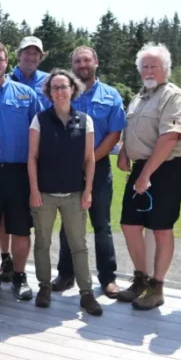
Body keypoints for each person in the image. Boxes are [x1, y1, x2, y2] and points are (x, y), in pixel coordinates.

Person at [116, 42, 181, 311]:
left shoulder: (174, 96)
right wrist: (124, 150)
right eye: (144, 66)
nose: (148, 70)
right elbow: (131, 128)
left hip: (166, 169)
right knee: (130, 224)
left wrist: (146, 174)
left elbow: (170, 137)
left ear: (166, 69)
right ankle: (140, 278)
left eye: (154, 66)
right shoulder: (140, 96)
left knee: (161, 228)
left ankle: (157, 287)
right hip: (141, 168)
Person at [0, 41, 43, 301]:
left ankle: (20, 275)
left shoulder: (26, 94)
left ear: (6, 62)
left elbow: (39, 133)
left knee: (22, 228)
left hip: (20, 172)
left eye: (0, 59)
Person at [53, 46, 125, 298]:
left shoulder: (111, 95)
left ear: (96, 62)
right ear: (71, 65)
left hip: (99, 165)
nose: (82, 65)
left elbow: (115, 133)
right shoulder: (65, 93)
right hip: (67, 169)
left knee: (101, 224)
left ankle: (107, 278)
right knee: (68, 225)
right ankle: (65, 274)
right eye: (77, 61)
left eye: (86, 60)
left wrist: (90, 159)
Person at [27, 69, 101, 315]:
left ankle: (86, 293)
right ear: (49, 92)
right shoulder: (40, 119)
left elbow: (90, 160)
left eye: (64, 86)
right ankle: (44, 287)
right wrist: (34, 190)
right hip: (44, 194)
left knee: (79, 245)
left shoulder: (85, 120)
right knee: (42, 243)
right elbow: (32, 157)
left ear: (73, 90)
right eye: (55, 87)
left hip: (74, 194)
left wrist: (88, 191)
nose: (59, 91)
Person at [10, 36, 50, 108]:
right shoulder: (5, 82)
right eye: (27, 52)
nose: (31, 57)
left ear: (40, 58)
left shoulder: (49, 80)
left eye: (35, 54)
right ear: (19, 55)